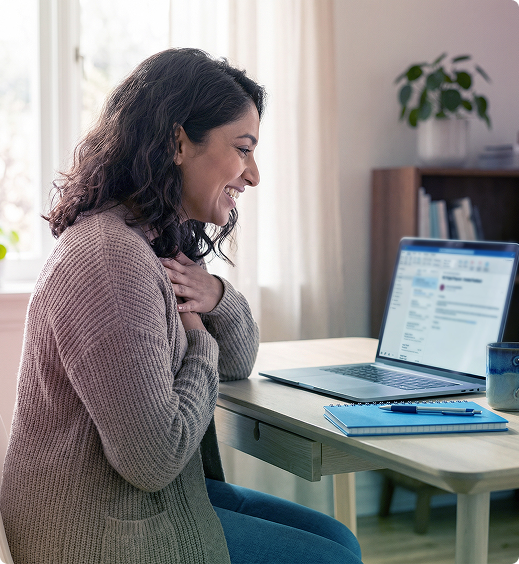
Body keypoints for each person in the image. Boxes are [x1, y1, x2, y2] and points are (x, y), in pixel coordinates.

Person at [0, 48, 362, 564]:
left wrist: (214, 296)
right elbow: (155, 458)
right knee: (335, 560)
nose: (253, 175)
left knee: (340, 540)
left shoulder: (150, 241)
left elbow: (238, 363)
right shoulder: (111, 261)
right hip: (101, 530)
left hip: (140, 503)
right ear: (177, 142)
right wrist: (198, 341)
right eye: (242, 148)